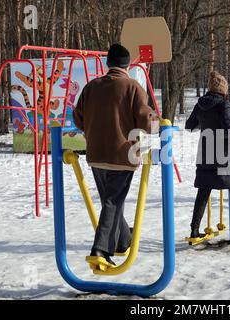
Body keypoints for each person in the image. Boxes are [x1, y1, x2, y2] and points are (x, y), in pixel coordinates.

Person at [73, 43, 158, 266]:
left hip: (95, 154)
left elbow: (78, 118)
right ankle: (100, 249)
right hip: (123, 155)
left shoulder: (91, 87)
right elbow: (146, 122)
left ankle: (122, 240)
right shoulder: (133, 87)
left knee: (110, 201)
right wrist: (155, 132)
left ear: (108, 63)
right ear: (128, 65)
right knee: (112, 201)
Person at [185, 71, 230, 239]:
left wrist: (206, 125)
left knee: (204, 189)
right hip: (223, 151)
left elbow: (189, 126)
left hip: (206, 150)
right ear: (223, 89)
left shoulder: (200, 104)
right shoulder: (223, 105)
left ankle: (194, 229)